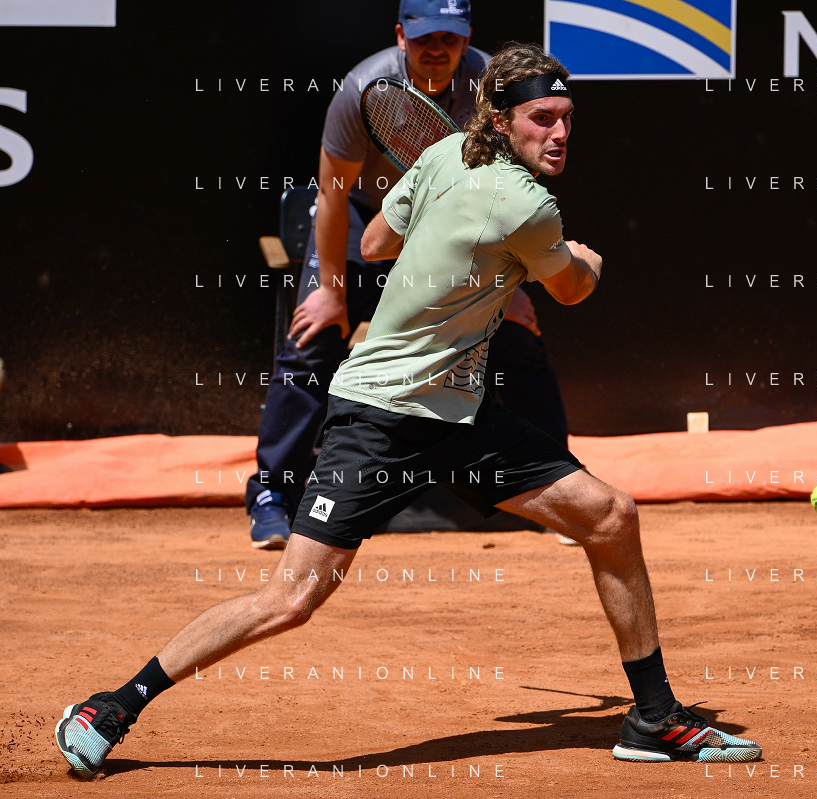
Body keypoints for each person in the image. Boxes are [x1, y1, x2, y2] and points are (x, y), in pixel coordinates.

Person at [54, 44, 761, 777]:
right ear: (500, 119)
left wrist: (446, 227)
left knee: (609, 515)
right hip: (383, 415)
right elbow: (572, 290)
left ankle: (653, 717)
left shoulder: (443, 155)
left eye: (566, 118)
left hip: (457, 412)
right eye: (541, 118)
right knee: (291, 599)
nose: (558, 133)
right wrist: (584, 258)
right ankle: (110, 706)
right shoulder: (528, 205)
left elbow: (373, 241)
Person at [248, 0, 572, 549]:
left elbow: (514, 192)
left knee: (518, 338)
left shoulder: (495, 86)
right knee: (312, 339)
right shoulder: (362, 88)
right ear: (402, 36)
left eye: (450, 38)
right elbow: (331, 194)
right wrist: (331, 293)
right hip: (364, 217)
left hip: (457, 221)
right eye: (426, 38)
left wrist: (509, 287)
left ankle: (561, 491)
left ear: (467, 38)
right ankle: (271, 496)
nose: (437, 49)